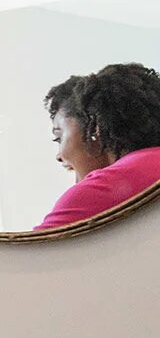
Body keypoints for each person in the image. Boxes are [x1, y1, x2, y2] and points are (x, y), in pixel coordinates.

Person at [35, 62, 160, 231]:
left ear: (94, 129)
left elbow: (30, 255)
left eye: (59, 137)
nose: (59, 156)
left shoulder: (97, 192)